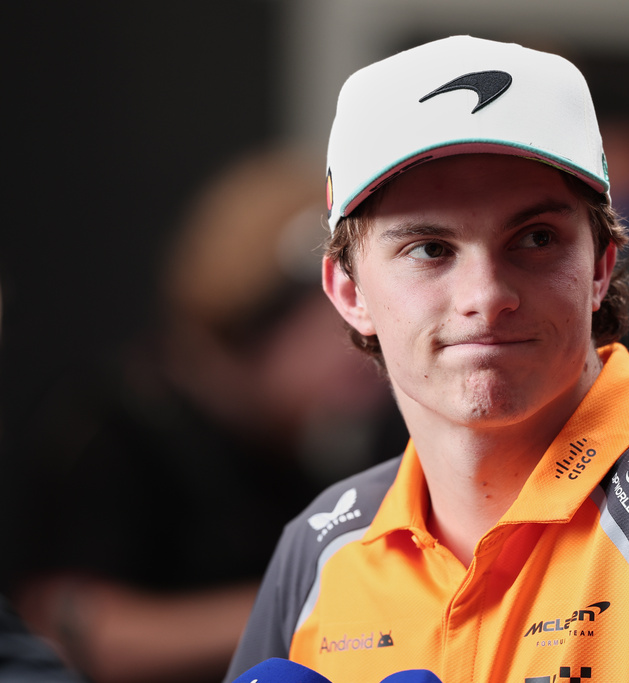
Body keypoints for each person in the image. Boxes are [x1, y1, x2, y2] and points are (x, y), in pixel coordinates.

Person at [226, 36, 629, 683]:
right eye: (430, 248)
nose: (486, 296)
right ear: (349, 291)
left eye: (536, 237)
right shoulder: (323, 542)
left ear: (602, 263)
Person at [8, 150, 402, 683]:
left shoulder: (295, 449)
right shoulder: (113, 427)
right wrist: (316, 599)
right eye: (339, 303)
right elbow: (68, 628)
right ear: (264, 310)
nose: (369, 331)